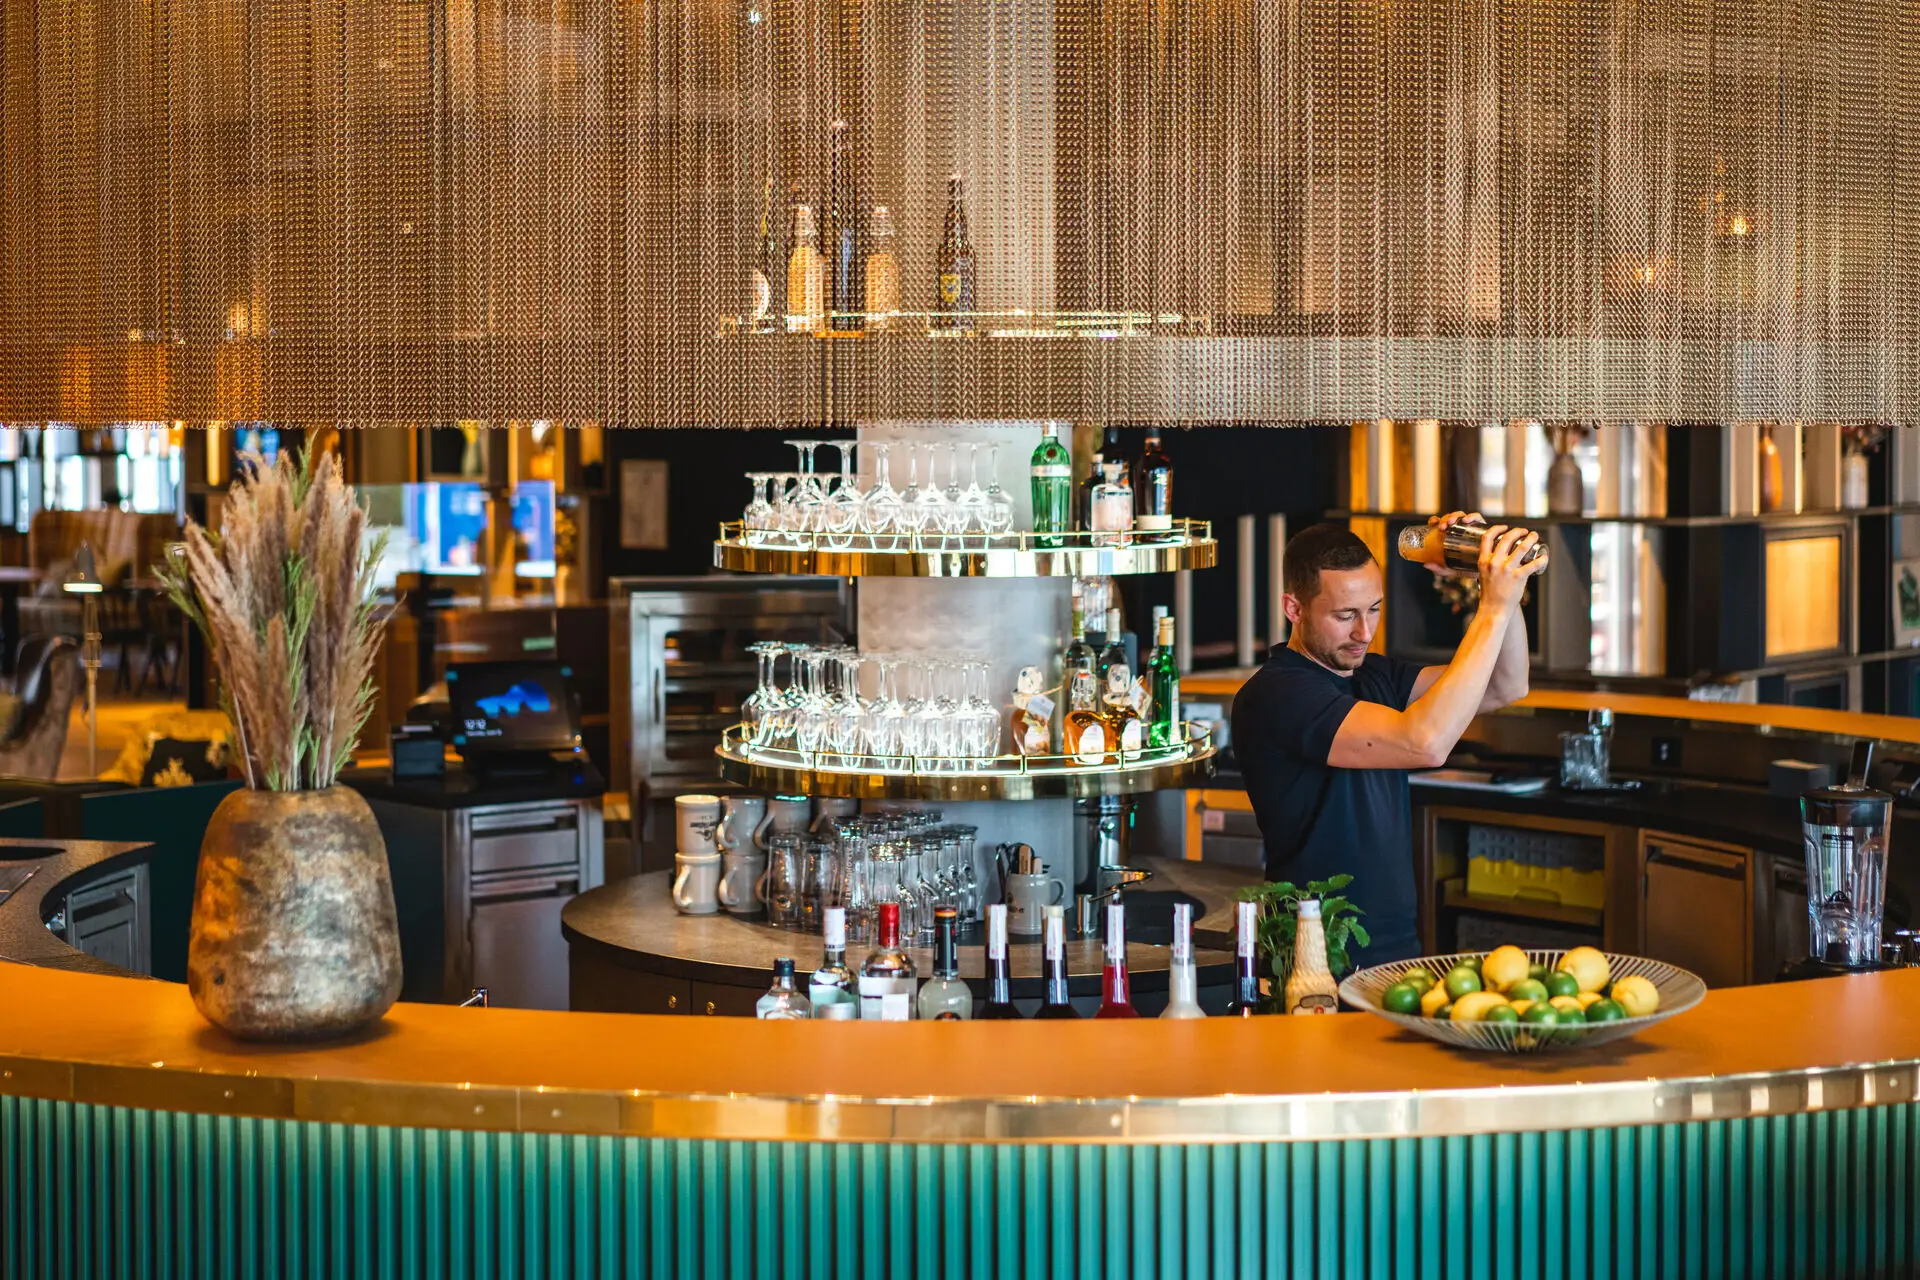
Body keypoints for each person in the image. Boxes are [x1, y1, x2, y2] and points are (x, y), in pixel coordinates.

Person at [1231, 514, 1545, 965]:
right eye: (1345, 615)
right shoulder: (1277, 693)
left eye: (1374, 609)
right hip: (1314, 954)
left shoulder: (1375, 674)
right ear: (1294, 609)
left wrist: (1493, 580)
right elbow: (1426, 743)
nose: (1364, 632)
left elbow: (1505, 685)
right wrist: (1493, 608)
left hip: (1394, 948)